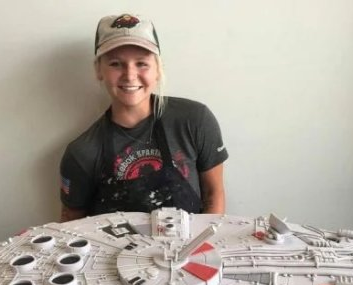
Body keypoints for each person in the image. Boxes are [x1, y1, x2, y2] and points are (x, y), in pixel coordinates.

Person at [60, 14, 228, 221]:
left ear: (158, 68)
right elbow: (71, 225)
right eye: (115, 64)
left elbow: (214, 195)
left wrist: (201, 241)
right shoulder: (82, 153)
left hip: (192, 241)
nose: (130, 76)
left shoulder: (194, 120)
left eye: (141, 63)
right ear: (98, 70)